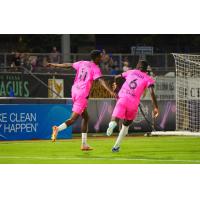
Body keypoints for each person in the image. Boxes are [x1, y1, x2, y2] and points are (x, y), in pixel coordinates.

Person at [48, 50, 116, 151]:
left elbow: (68, 65)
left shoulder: (82, 62)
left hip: (74, 90)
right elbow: (101, 81)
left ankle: (84, 144)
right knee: (73, 119)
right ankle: (57, 129)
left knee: (86, 117)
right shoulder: (95, 68)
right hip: (82, 94)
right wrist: (110, 91)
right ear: (96, 58)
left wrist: (55, 65)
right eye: (100, 57)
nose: (101, 58)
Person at [106, 60, 159, 152]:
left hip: (122, 98)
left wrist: (116, 87)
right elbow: (152, 93)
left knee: (115, 119)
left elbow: (116, 77)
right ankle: (116, 146)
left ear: (137, 66)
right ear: (146, 69)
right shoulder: (148, 78)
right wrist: (155, 107)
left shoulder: (131, 72)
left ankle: (111, 125)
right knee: (125, 126)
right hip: (133, 103)